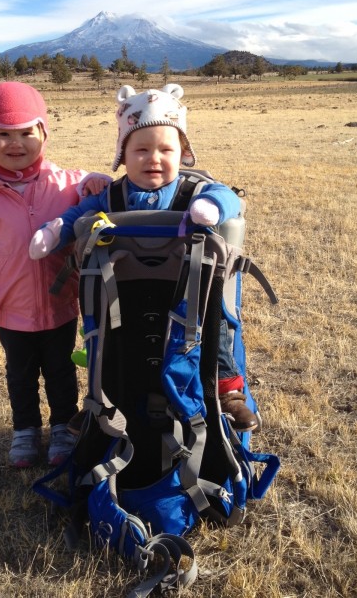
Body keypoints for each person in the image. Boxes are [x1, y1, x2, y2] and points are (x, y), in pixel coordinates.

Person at [30, 84, 260, 433]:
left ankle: (226, 395)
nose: (153, 158)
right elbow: (79, 213)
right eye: (141, 149)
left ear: (182, 154)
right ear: (122, 155)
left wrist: (211, 208)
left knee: (220, 323)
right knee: (101, 330)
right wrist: (54, 232)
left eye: (166, 149)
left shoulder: (195, 191)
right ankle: (100, 398)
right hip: (126, 298)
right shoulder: (112, 195)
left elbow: (227, 196)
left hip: (191, 299)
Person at [0, 81, 109, 468]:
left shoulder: (67, 184)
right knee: (19, 374)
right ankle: (24, 431)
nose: (15, 143)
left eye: (26, 133)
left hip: (60, 306)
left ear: (43, 134)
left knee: (60, 371)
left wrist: (99, 180)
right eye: (2, 134)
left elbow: (99, 191)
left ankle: (60, 430)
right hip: (10, 309)